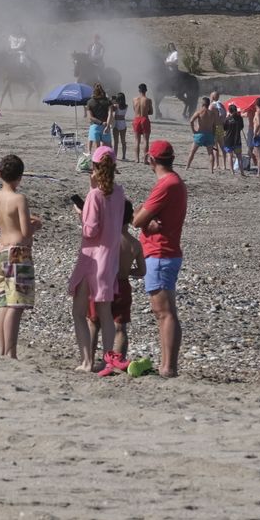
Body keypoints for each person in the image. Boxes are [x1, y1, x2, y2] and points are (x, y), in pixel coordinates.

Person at [69, 146, 125, 374]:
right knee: (105, 314)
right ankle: (108, 361)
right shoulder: (119, 192)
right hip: (109, 259)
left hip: (92, 259)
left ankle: (87, 362)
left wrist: (80, 213)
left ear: (93, 167)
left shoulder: (95, 195)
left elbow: (90, 231)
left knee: (79, 313)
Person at [133, 139, 186, 378]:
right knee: (162, 312)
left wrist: (143, 220)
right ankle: (167, 365)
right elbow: (142, 219)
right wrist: (146, 222)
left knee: (164, 312)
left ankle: (169, 367)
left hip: (161, 253)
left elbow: (136, 219)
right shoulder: (173, 183)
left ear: (151, 159)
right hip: (163, 252)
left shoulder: (166, 184)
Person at [0, 154, 41, 358]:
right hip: (17, 252)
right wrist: (36, 225)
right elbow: (26, 232)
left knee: (2, 304)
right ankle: (11, 352)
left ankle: (3, 351)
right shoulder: (19, 199)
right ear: (20, 177)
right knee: (15, 304)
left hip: (0, 251)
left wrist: (7, 221)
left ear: (1, 174)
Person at [92, 200, 146, 363]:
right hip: (122, 285)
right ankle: (117, 361)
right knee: (120, 328)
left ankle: (89, 359)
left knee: (95, 323)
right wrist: (126, 270)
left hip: (104, 284)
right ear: (130, 218)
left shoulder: (107, 239)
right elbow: (142, 271)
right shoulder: (135, 244)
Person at [186, 97, 216, 170]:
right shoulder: (212, 113)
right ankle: (211, 169)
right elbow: (214, 126)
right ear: (209, 104)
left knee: (192, 152)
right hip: (209, 134)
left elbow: (191, 121)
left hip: (200, 134)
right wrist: (214, 135)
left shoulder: (199, 112)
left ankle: (187, 167)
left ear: (202, 103)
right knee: (210, 153)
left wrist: (193, 130)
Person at [86, 83, 112, 153]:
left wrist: (100, 122)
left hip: (95, 126)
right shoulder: (107, 101)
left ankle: (97, 161)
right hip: (105, 126)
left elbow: (90, 117)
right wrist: (107, 125)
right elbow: (110, 114)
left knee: (97, 148)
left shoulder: (90, 102)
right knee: (107, 148)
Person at [222, 99, 245, 174]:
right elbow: (242, 127)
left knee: (230, 155)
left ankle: (232, 171)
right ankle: (242, 172)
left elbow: (224, 128)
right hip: (237, 140)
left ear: (229, 111)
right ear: (235, 110)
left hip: (228, 140)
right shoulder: (240, 118)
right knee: (239, 156)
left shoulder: (227, 119)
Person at [131, 83, 154, 158]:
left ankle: (137, 159)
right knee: (145, 140)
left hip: (136, 119)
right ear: (146, 90)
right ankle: (145, 159)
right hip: (144, 119)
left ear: (139, 90)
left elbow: (134, 109)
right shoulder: (148, 100)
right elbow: (151, 112)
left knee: (137, 140)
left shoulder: (134, 99)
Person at [110, 92, 129, 162]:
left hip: (116, 123)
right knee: (123, 141)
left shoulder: (115, 106)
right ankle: (124, 156)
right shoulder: (126, 106)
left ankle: (115, 155)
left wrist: (112, 101)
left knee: (116, 142)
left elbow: (112, 109)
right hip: (123, 123)